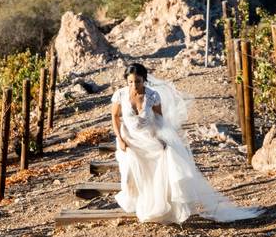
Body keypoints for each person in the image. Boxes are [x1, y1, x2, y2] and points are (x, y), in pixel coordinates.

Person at [110, 62, 263, 224]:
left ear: (144, 80)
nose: (134, 85)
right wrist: (120, 139)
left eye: (138, 81)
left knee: (156, 172)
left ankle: (155, 209)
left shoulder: (152, 96)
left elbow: (159, 120)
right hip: (130, 139)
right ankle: (141, 203)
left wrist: (162, 138)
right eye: (130, 82)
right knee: (130, 175)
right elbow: (114, 117)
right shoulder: (120, 95)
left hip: (149, 138)